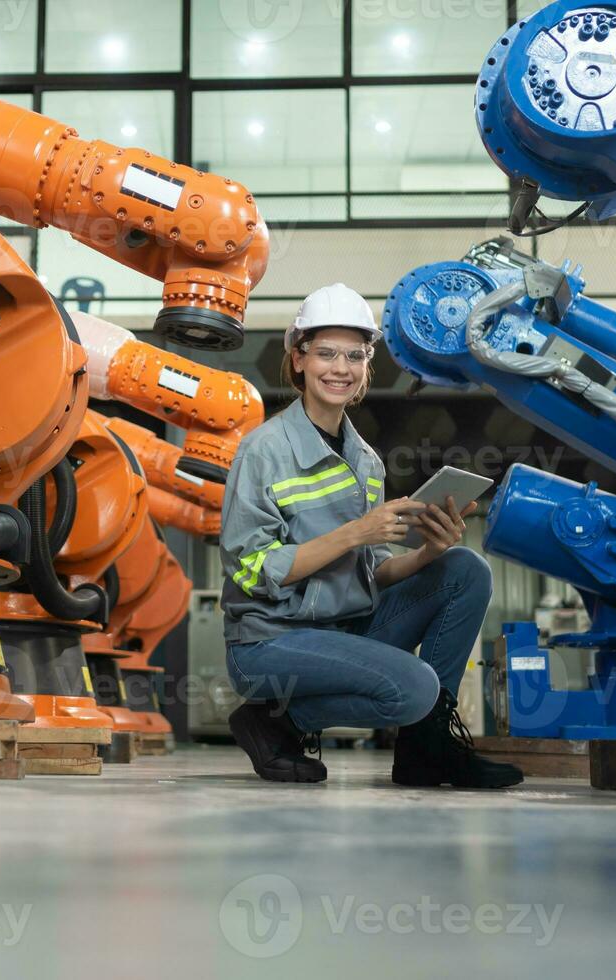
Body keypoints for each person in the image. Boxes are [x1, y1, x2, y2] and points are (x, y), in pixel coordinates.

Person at [219, 283, 523, 789]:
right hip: (268, 644)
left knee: (464, 569)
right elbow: (253, 570)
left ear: (367, 367)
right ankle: (275, 721)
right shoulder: (263, 451)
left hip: (345, 631)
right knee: (414, 686)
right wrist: (354, 532)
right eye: (326, 354)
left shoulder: (366, 461)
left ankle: (426, 750)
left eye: (355, 356)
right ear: (298, 360)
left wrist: (430, 550)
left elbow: (374, 572)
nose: (341, 368)